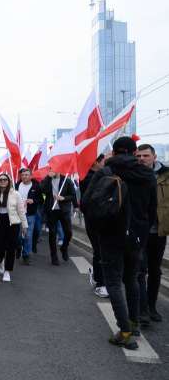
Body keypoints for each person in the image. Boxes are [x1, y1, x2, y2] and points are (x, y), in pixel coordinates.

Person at [83, 137, 156, 350]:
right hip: (137, 237)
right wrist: (141, 232)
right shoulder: (147, 175)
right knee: (131, 279)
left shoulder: (105, 172)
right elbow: (151, 210)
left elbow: (86, 203)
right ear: (134, 153)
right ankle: (133, 324)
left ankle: (124, 332)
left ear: (113, 153)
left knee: (113, 282)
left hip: (110, 235)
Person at [136, 144, 167, 323]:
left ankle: (152, 306)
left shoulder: (165, 175)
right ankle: (143, 309)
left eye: (145, 156)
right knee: (140, 270)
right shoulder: (132, 175)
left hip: (159, 231)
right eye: (138, 156)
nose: (141, 159)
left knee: (155, 271)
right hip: (139, 231)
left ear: (154, 157)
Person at [0, 173, 27, 282]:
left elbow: (21, 211)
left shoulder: (16, 194)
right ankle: (0, 261)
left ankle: (7, 271)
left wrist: (24, 225)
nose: (3, 181)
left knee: (10, 248)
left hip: (12, 224)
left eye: (5, 179)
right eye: (0, 180)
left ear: (8, 181)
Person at [80, 154, 108, 298]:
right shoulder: (88, 178)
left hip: (106, 220)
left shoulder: (102, 176)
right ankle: (100, 284)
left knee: (104, 251)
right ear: (96, 162)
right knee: (99, 251)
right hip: (93, 220)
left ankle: (99, 276)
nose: (106, 164)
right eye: (104, 161)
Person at [40, 170, 76, 265]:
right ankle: (54, 257)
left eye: (55, 169)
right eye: (51, 169)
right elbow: (42, 189)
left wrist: (64, 198)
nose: (53, 171)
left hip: (64, 210)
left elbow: (73, 195)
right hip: (51, 210)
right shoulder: (48, 180)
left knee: (68, 232)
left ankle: (64, 247)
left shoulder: (66, 180)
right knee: (52, 233)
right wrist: (48, 177)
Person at [15, 168, 43, 265]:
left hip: (30, 214)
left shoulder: (36, 186)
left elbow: (41, 200)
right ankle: (18, 247)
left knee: (28, 235)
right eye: (23, 175)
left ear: (31, 176)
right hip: (17, 214)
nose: (24, 176)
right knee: (18, 235)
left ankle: (26, 255)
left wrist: (33, 201)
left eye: (27, 175)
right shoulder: (16, 186)